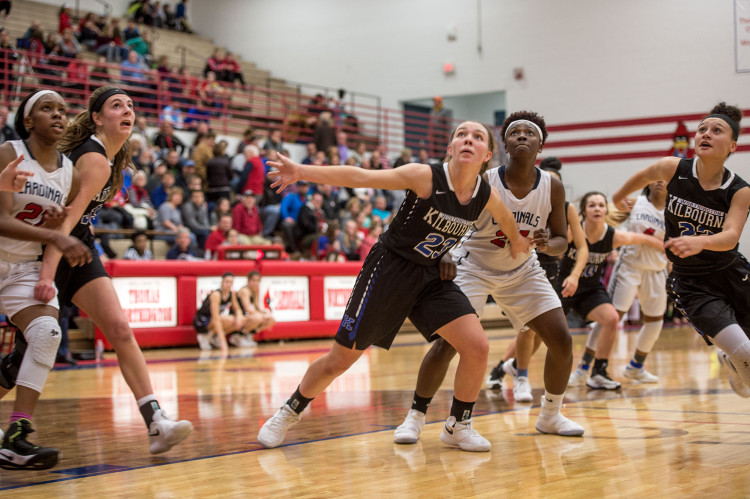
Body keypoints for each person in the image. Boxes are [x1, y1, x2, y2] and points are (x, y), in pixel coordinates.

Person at [257, 121, 531, 451]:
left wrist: (517, 242)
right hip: (389, 270)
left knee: (477, 346)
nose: (467, 140)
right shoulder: (425, 176)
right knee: (339, 362)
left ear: (487, 154)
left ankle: (459, 424)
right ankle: (290, 410)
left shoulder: (485, 195)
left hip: (430, 276)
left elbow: (506, 219)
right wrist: (301, 170)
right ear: (450, 148)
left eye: (476, 137)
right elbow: (360, 177)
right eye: (461, 135)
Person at [392, 112, 584, 447]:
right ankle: (415, 417)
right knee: (449, 343)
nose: (522, 136)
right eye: (515, 133)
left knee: (562, 340)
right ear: (504, 145)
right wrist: (446, 252)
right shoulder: (486, 178)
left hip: (523, 269)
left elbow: (560, 242)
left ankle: (550, 415)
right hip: (474, 265)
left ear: (541, 145)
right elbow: (450, 218)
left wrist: (545, 243)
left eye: (529, 133)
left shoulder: (553, 185)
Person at [22, 86, 194, 455]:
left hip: (77, 246)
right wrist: (47, 275)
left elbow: (75, 219)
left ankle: (156, 421)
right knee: (20, 359)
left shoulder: (114, 157)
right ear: (98, 117)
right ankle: (16, 433)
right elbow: (63, 222)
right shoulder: (95, 158)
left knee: (119, 328)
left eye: (131, 105)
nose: (128, 110)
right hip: (46, 249)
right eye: (117, 106)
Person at [612, 102, 750, 398]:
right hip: (692, 283)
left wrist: (700, 241)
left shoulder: (739, 190)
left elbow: (731, 236)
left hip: (733, 274)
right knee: (746, 353)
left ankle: (733, 363)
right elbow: (643, 176)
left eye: (716, 131)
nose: (706, 134)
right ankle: (736, 360)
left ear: (733, 146)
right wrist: (619, 195)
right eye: (702, 129)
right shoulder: (673, 168)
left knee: (746, 361)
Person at [0, 90, 94, 470]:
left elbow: (60, 227)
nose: (58, 115)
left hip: (22, 269)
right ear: (27, 120)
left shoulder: (68, 172)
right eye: (47, 108)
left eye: (63, 110)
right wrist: (54, 236)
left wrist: (45, 275)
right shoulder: (9, 153)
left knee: (47, 333)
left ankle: (17, 436)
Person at [485, 159, 588, 399]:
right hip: (516, 263)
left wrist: (574, 275)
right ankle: (520, 375)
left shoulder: (565, 207)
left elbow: (580, 247)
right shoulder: (521, 197)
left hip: (548, 266)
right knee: (527, 328)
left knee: (543, 331)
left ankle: (506, 367)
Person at [562, 191, 664, 390]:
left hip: (590, 290)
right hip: (566, 286)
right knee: (538, 332)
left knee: (611, 318)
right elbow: (551, 249)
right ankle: (512, 367)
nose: (597, 209)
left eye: (601, 205)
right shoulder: (572, 231)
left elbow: (642, 239)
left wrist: (667, 248)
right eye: (592, 205)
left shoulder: (612, 235)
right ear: (583, 210)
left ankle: (598, 372)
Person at [193, 272, 243, 352]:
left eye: (231, 282)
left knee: (239, 320)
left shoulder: (231, 294)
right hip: (202, 321)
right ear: (222, 282)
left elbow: (237, 309)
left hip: (213, 319)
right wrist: (223, 342)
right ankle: (204, 336)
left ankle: (212, 336)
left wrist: (239, 317)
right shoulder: (216, 294)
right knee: (227, 319)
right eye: (227, 282)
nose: (229, 284)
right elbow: (215, 318)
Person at [236, 270, 275, 346]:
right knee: (258, 318)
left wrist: (265, 312)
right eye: (253, 280)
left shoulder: (254, 291)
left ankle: (249, 335)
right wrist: (261, 315)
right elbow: (248, 309)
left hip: (247, 315)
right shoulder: (245, 290)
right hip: (240, 316)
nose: (255, 283)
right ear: (248, 280)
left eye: (257, 281)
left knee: (271, 319)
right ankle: (239, 336)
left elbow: (257, 307)